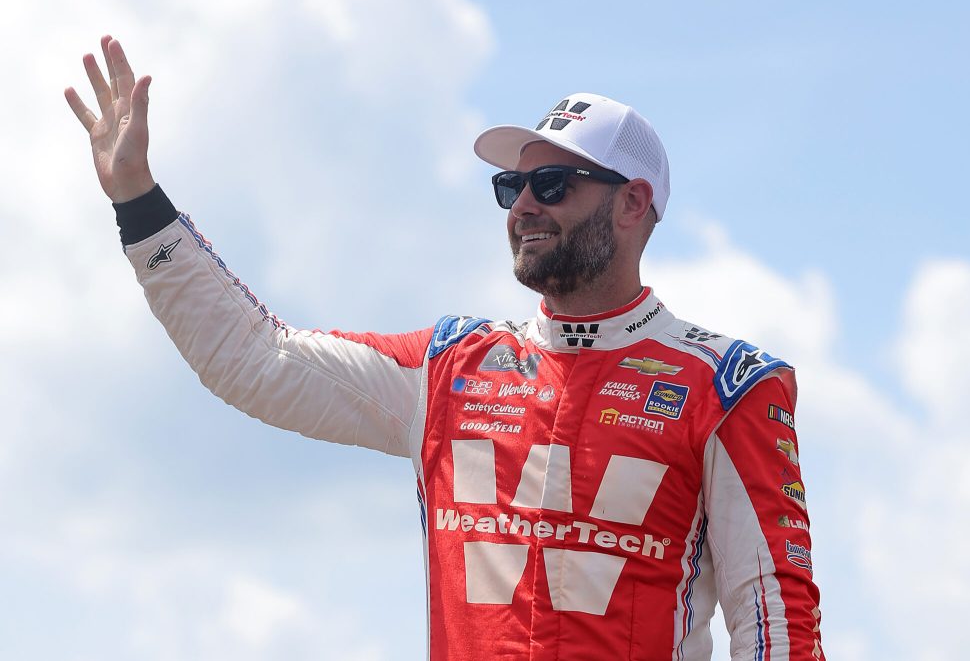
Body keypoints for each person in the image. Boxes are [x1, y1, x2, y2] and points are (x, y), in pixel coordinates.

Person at [66, 36, 825, 660]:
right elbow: (254, 359)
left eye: (552, 184)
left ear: (633, 202)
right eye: (510, 188)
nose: (523, 206)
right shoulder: (450, 366)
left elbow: (776, 627)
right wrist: (138, 200)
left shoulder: (730, 384)